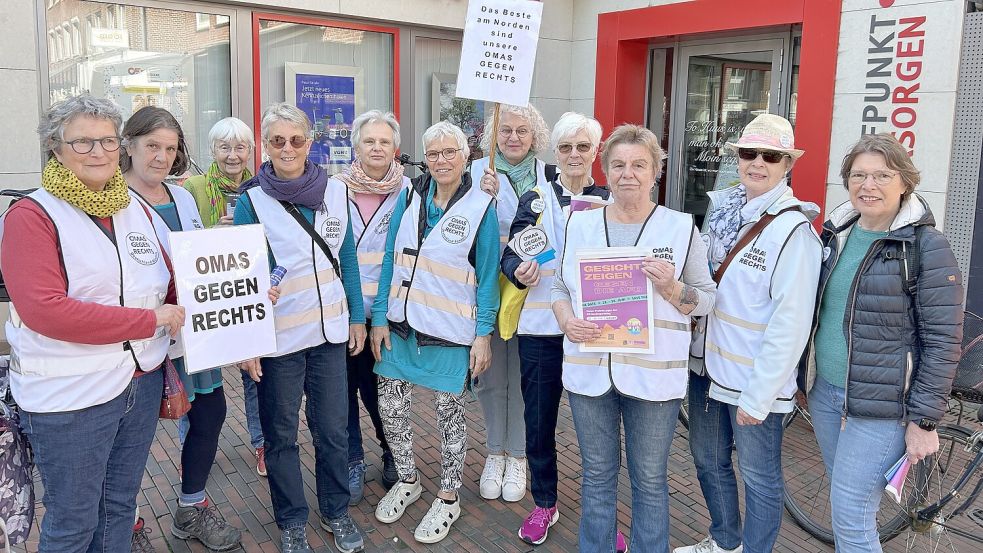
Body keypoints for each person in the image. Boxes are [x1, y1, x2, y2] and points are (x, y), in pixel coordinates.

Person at [0, 94, 185, 551]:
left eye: (106, 140)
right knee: (72, 521)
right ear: (55, 147)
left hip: (137, 385)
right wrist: (148, 320)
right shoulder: (32, 216)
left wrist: (237, 289)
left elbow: (169, 281)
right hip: (71, 399)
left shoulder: (133, 207)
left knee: (119, 505)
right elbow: (46, 309)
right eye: (83, 142)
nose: (99, 152)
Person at [552, 124, 716, 552]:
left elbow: (708, 300)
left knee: (649, 479)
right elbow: (559, 287)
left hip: (652, 379)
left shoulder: (680, 229)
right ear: (604, 170)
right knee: (597, 476)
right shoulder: (579, 224)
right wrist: (567, 319)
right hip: (590, 375)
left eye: (639, 165)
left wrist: (675, 290)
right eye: (619, 165)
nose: (629, 174)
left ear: (655, 171)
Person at [800, 133, 964, 553]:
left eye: (881, 175)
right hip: (827, 394)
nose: (867, 185)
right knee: (846, 504)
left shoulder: (926, 247)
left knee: (852, 513)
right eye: (858, 175)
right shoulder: (835, 235)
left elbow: (944, 341)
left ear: (904, 181)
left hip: (885, 406)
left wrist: (925, 421)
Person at [676, 114, 822, 553]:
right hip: (706, 368)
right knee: (709, 462)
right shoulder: (722, 212)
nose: (758, 163)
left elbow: (791, 324)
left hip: (753, 382)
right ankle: (725, 541)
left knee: (759, 477)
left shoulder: (793, 231)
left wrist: (761, 395)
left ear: (786, 164)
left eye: (771, 156)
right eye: (748, 153)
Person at [235, 102, 367, 553]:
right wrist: (248, 340)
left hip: (329, 335)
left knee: (332, 430)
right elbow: (243, 279)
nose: (287, 148)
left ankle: (336, 511)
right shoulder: (252, 201)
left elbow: (345, 257)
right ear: (265, 146)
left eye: (296, 139)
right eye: (277, 140)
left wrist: (357, 316)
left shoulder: (336, 192)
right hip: (280, 340)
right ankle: (292, 519)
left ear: (310, 143)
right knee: (281, 435)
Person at [369, 121, 499, 544]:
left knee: (449, 416)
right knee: (390, 407)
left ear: (466, 157)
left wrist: (483, 334)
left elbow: (487, 278)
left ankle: (448, 496)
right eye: (433, 153)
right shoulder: (408, 195)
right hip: (400, 325)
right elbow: (391, 257)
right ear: (424, 157)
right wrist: (378, 318)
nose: (441, 160)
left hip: (449, 331)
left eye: (450, 152)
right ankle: (407, 479)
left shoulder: (482, 206)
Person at [121, 106, 242, 551]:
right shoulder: (113, 201)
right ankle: (128, 523)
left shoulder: (184, 197)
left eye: (170, 148)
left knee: (210, 417)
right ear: (128, 145)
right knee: (137, 435)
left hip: (194, 338)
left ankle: (191, 508)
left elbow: (199, 264)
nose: (161, 156)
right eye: (152, 145)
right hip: (142, 342)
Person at [497, 112, 610, 545]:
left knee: (596, 430)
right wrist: (517, 271)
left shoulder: (609, 198)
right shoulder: (535, 197)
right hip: (542, 326)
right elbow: (511, 253)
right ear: (554, 152)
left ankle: (599, 515)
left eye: (583, 146)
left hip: (593, 329)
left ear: (595, 151)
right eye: (566, 147)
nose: (575, 155)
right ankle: (545, 503)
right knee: (539, 421)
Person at [472, 103, 551, 503]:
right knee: (490, 376)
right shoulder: (476, 174)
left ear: (534, 136)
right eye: (505, 131)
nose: (514, 138)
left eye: (522, 130)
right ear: (494, 136)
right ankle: (494, 452)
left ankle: (517, 455)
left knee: (524, 379)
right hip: (489, 288)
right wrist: (477, 201)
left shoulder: (548, 180)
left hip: (533, 293)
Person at [182, 116, 267, 478]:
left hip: (248, 292)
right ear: (213, 150)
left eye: (240, 147)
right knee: (201, 380)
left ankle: (261, 443)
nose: (233, 155)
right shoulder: (194, 188)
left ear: (250, 150)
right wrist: (212, 235)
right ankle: (195, 451)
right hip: (207, 297)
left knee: (255, 374)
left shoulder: (262, 185)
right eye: (224, 147)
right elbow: (182, 243)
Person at [334, 110, 406, 501]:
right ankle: (352, 459)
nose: (377, 148)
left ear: (396, 148)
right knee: (343, 392)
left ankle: (392, 451)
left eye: (384, 141)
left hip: (388, 315)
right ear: (356, 146)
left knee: (383, 392)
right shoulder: (334, 190)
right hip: (343, 315)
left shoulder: (410, 191)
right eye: (369, 141)